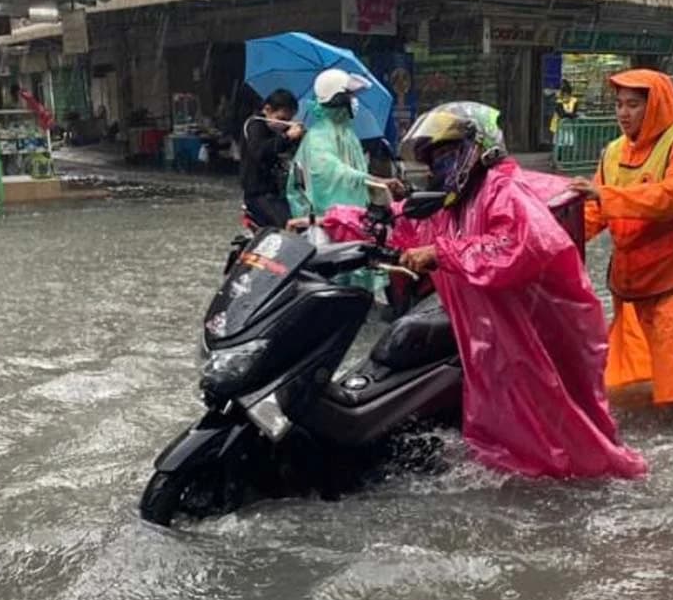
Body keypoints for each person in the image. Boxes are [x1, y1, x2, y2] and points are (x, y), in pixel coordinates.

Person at [322, 102, 646, 480]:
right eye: (434, 160)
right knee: (511, 435)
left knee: (565, 437)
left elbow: (521, 246)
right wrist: (325, 225)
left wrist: (441, 252)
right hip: (499, 337)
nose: (440, 168)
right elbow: (405, 224)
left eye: (448, 155)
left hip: (541, 332)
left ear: (477, 148)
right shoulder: (456, 201)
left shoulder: (504, 191)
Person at [570, 69, 673, 407]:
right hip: (642, 262)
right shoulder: (614, 152)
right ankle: (665, 401)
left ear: (655, 105)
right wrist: (550, 240)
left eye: (633, 105)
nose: (623, 113)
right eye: (619, 105)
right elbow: (595, 213)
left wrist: (605, 196)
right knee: (649, 338)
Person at [286, 68, 403, 218]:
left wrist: (377, 184)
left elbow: (355, 170)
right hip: (326, 221)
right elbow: (332, 172)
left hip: (350, 218)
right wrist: (373, 180)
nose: (354, 100)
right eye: (350, 95)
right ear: (337, 99)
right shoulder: (319, 136)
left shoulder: (347, 133)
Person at [241, 89, 303, 228]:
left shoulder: (279, 130)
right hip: (259, 192)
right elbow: (260, 152)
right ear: (267, 110)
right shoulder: (254, 125)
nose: (284, 124)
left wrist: (299, 137)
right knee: (286, 225)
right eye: (281, 119)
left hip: (279, 190)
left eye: (289, 120)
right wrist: (287, 137)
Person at [550, 79, 579, 150]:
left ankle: (566, 156)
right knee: (559, 142)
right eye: (564, 94)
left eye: (567, 94)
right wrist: (570, 115)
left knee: (569, 141)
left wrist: (569, 114)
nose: (566, 96)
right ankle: (558, 156)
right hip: (559, 125)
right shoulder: (559, 102)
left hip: (569, 126)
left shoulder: (574, 101)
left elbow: (574, 113)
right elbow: (561, 114)